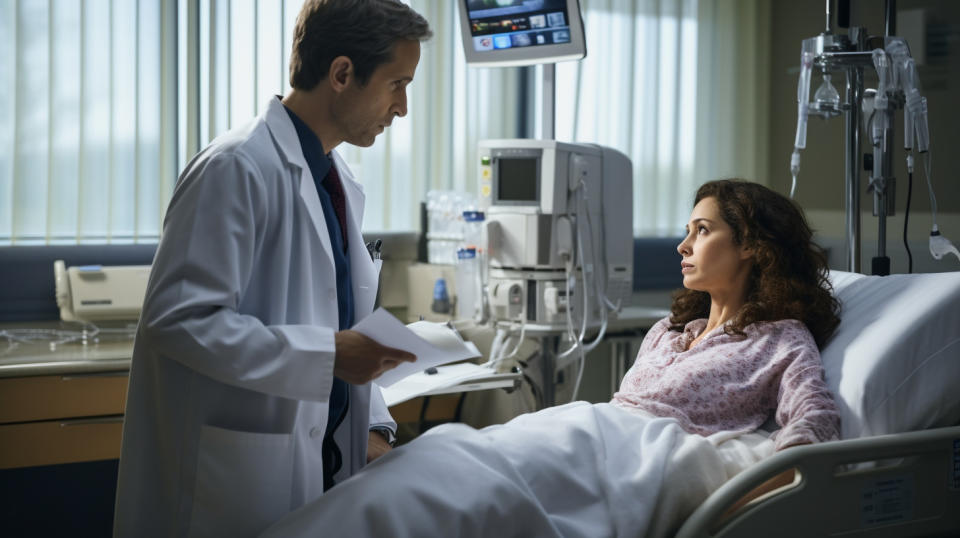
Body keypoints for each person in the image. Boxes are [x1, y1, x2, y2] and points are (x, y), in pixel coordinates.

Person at [258, 179, 843, 537]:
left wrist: (767, 480)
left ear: (751, 247)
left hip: (626, 457)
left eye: (703, 230)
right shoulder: (671, 330)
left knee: (456, 494)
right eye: (687, 229)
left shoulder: (779, 339)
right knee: (442, 456)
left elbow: (813, 422)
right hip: (581, 429)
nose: (683, 245)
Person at [113, 1, 432, 536]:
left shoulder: (336, 181)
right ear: (342, 74)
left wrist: (372, 425)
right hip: (230, 481)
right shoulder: (236, 166)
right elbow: (179, 321)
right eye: (397, 84)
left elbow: (344, 332)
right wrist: (328, 354)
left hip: (319, 471)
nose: (402, 108)